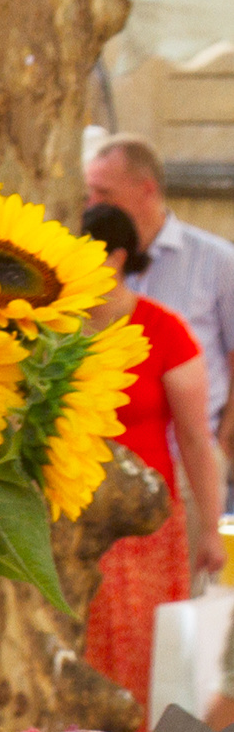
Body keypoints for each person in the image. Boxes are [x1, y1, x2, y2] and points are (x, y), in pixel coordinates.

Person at [78, 203, 222, 708]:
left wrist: (210, 528)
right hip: (71, 518)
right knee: (80, 655)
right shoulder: (58, 328)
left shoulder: (163, 330)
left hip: (146, 529)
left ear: (115, 257)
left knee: (149, 659)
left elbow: (195, 441)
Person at [85, 135, 234, 519]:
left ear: (145, 189)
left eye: (104, 192)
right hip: (100, 467)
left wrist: (226, 436)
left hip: (188, 459)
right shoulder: (84, 256)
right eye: (90, 192)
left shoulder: (217, 261)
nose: (92, 203)